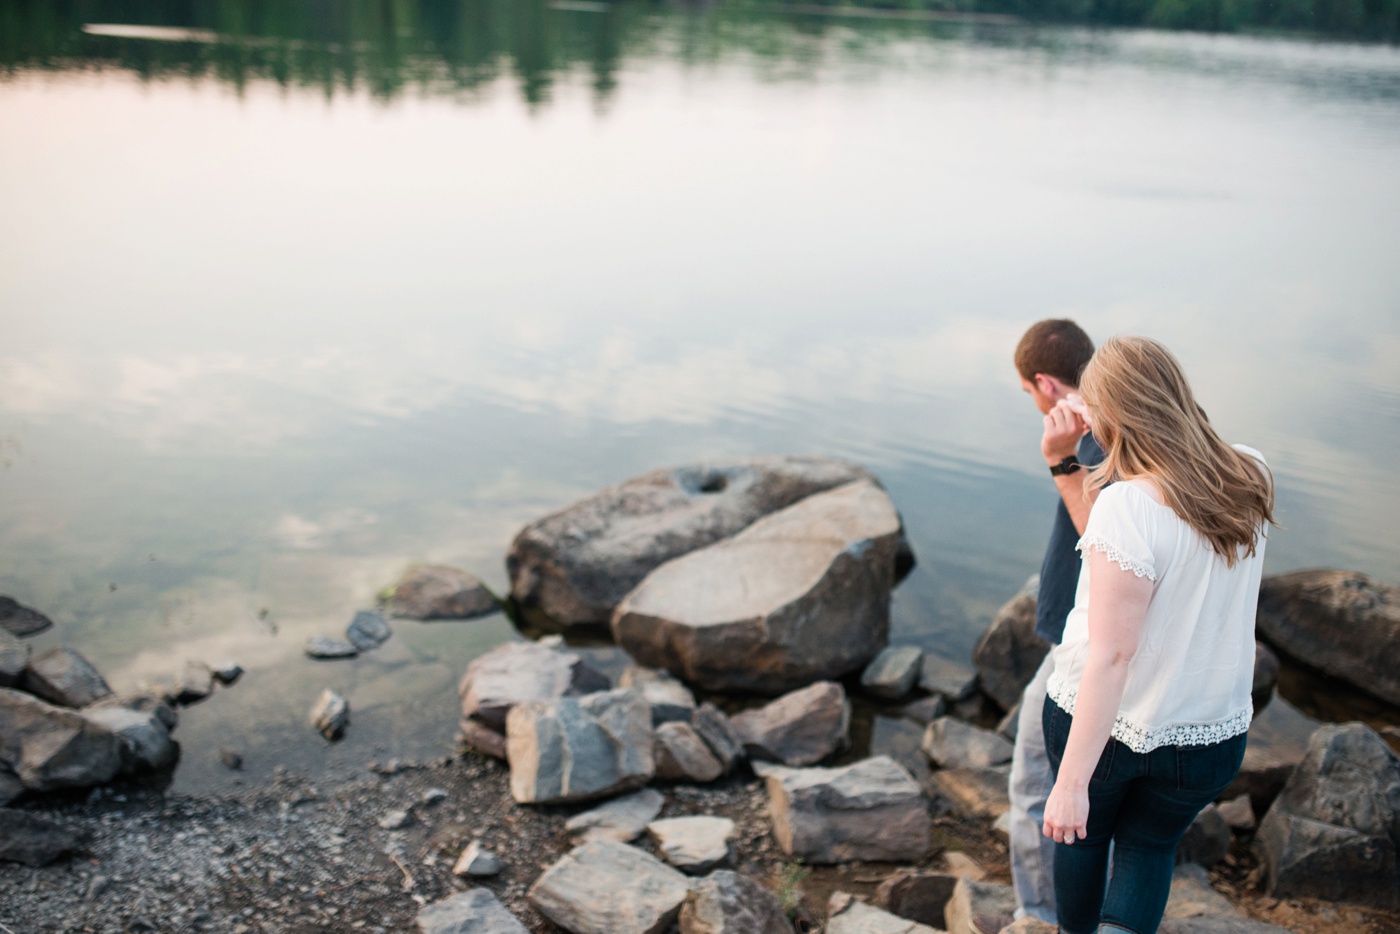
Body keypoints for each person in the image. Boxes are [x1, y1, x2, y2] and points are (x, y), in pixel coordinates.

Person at [1040, 336, 1274, 934]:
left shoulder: (1127, 506)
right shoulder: (1252, 473)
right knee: (1148, 848)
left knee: (1084, 841)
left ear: (1112, 415)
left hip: (1105, 724)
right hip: (1206, 731)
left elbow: (1112, 656)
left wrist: (1071, 782)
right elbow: (1139, 555)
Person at [1009, 318, 1104, 923]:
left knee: (1034, 790)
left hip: (1086, 645)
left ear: (1045, 383)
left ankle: (1041, 918)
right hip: (1098, 641)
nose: (1032, 403)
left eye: (1027, 392)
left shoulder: (1086, 439)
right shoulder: (1116, 422)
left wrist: (1060, 459)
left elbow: (1110, 542)